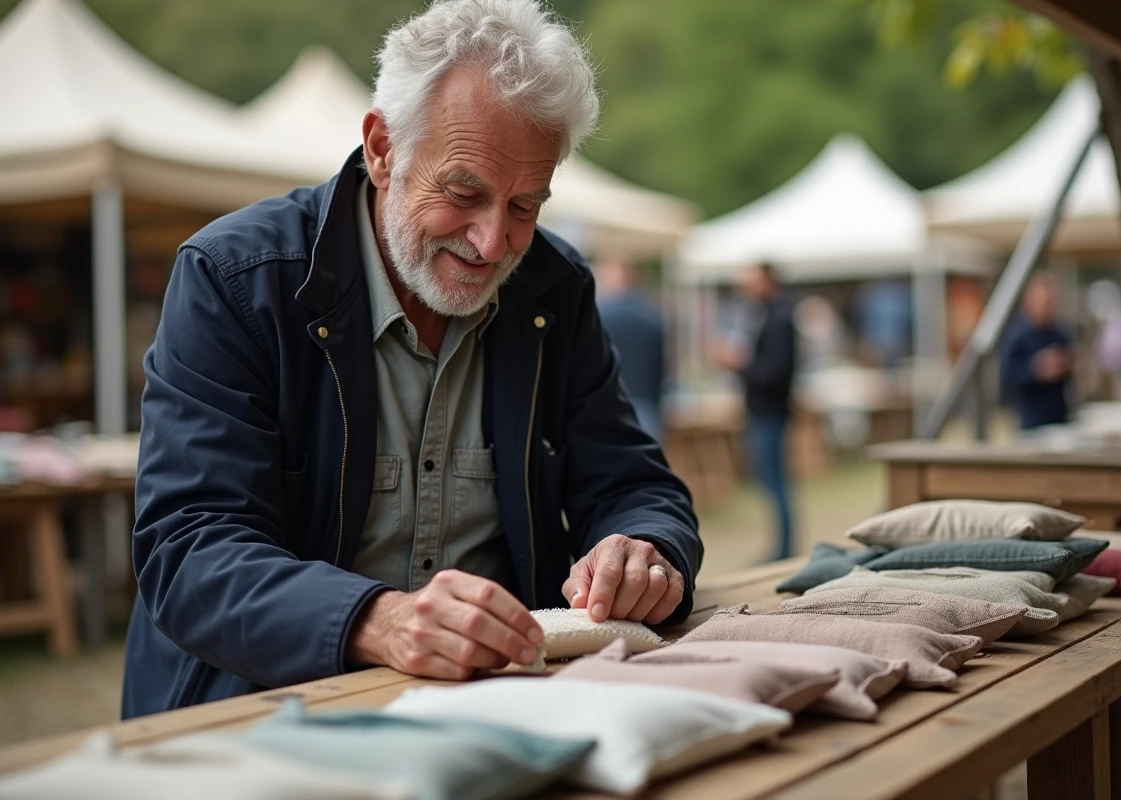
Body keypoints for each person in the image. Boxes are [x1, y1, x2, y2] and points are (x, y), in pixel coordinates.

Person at [122, 0, 701, 719]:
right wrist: (377, 620)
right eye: (464, 193)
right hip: (259, 713)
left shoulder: (555, 288)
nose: (492, 242)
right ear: (382, 149)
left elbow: (632, 483)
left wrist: (644, 547)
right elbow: (188, 551)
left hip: (494, 711)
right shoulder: (236, 279)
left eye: (526, 206)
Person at [712, 263, 797, 561]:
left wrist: (739, 364)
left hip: (770, 411)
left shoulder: (779, 318)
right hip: (764, 410)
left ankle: (784, 549)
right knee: (769, 480)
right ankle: (781, 547)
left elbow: (776, 371)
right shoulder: (767, 314)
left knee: (774, 481)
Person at [595, 259, 667, 439]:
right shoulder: (653, 317)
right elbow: (661, 367)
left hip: (607, 408)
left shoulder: (599, 317)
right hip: (647, 407)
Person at [1000, 274, 1074, 431]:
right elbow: (1006, 376)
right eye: (1042, 304)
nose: (1046, 309)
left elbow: (1069, 375)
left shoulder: (1059, 334)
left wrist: (1067, 364)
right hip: (1031, 419)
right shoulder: (1017, 335)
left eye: (1049, 303)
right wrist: (1036, 369)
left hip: (1059, 416)